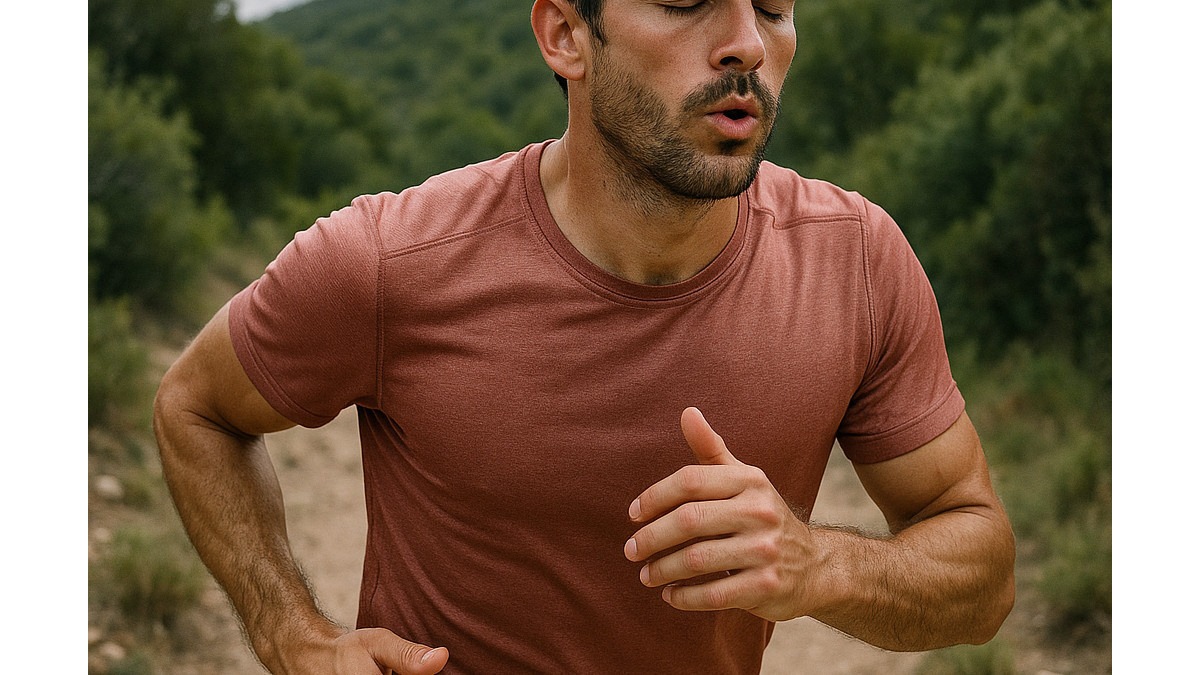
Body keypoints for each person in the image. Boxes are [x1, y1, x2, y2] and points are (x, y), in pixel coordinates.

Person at [153, 0, 1016, 673]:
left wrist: (818, 564)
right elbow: (196, 406)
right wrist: (288, 634)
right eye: (685, 2)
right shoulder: (390, 261)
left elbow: (980, 568)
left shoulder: (856, 261)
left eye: (776, 7)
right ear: (565, 33)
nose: (748, 43)